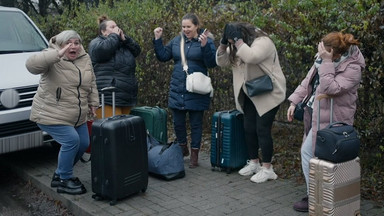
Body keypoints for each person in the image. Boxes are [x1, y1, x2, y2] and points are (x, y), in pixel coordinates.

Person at [286, 32, 365, 212]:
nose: (319, 54)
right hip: (316, 116)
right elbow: (309, 81)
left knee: (326, 159)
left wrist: (326, 62)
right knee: (309, 154)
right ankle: (316, 196)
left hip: (335, 121)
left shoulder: (353, 67)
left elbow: (331, 87)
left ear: (334, 53)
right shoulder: (323, 60)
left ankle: (330, 199)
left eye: (323, 53)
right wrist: (294, 101)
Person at [25, 30, 99, 195]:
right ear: (60, 44)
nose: (73, 46)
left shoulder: (84, 58)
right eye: (68, 43)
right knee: (71, 141)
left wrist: (94, 103)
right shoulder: (50, 57)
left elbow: (91, 82)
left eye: (76, 43)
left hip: (76, 114)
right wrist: (57, 54)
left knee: (84, 143)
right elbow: (31, 65)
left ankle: (59, 174)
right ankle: (65, 179)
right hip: (49, 113)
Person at [216, 22, 286, 183]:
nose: (233, 45)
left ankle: (268, 168)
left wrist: (237, 41)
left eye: (234, 41)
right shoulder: (238, 44)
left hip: (269, 93)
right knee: (248, 128)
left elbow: (252, 56)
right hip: (250, 93)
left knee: (262, 129)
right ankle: (254, 162)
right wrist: (223, 43)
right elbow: (222, 62)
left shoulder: (263, 42)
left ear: (242, 35)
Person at [153, 13, 217, 168]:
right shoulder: (177, 40)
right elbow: (163, 56)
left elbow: (211, 63)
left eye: (189, 26)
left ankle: (195, 155)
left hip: (196, 89)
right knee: (178, 123)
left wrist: (205, 47)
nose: (186, 29)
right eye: (183, 27)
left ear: (196, 26)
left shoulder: (206, 40)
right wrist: (157, 40)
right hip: (178, 87)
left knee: (196, 124)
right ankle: (183, 149)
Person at [88, 15, 141, 117]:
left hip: (125, 97)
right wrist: (114, 36)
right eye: (112, 27)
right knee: (111, 129)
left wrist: (125, 39)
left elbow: (136, 50)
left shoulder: (122, 45)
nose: (117, 29)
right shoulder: (96, 43)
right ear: (103, 32)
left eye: (117, 26)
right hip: (108, 97)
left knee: (124, 129)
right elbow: (104, 51)